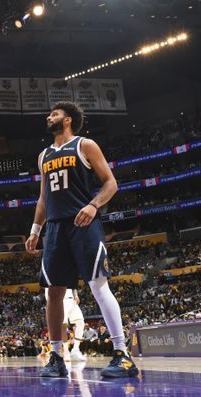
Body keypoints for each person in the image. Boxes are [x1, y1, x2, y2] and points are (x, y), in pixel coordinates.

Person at [25, 101, 139, 378]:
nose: (48, 116)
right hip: (54, 228)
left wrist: (93, 205)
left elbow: (111, 183)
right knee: (53, 293)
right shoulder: (44, 155)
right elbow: (43, 198)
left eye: (54, 114)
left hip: (83, 224)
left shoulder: (85, 145)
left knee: (98, 285)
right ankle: (55, 357)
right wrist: (35, 230)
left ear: (68, 120)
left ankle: (122, 354)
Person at [44, 288, 86, 362]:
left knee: (81, 322)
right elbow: (48, 292)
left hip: (72, 300)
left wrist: (76, 295)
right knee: (63, 325)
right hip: (61, 301)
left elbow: (73, 285)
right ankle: (66, 352)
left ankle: (76, 350)